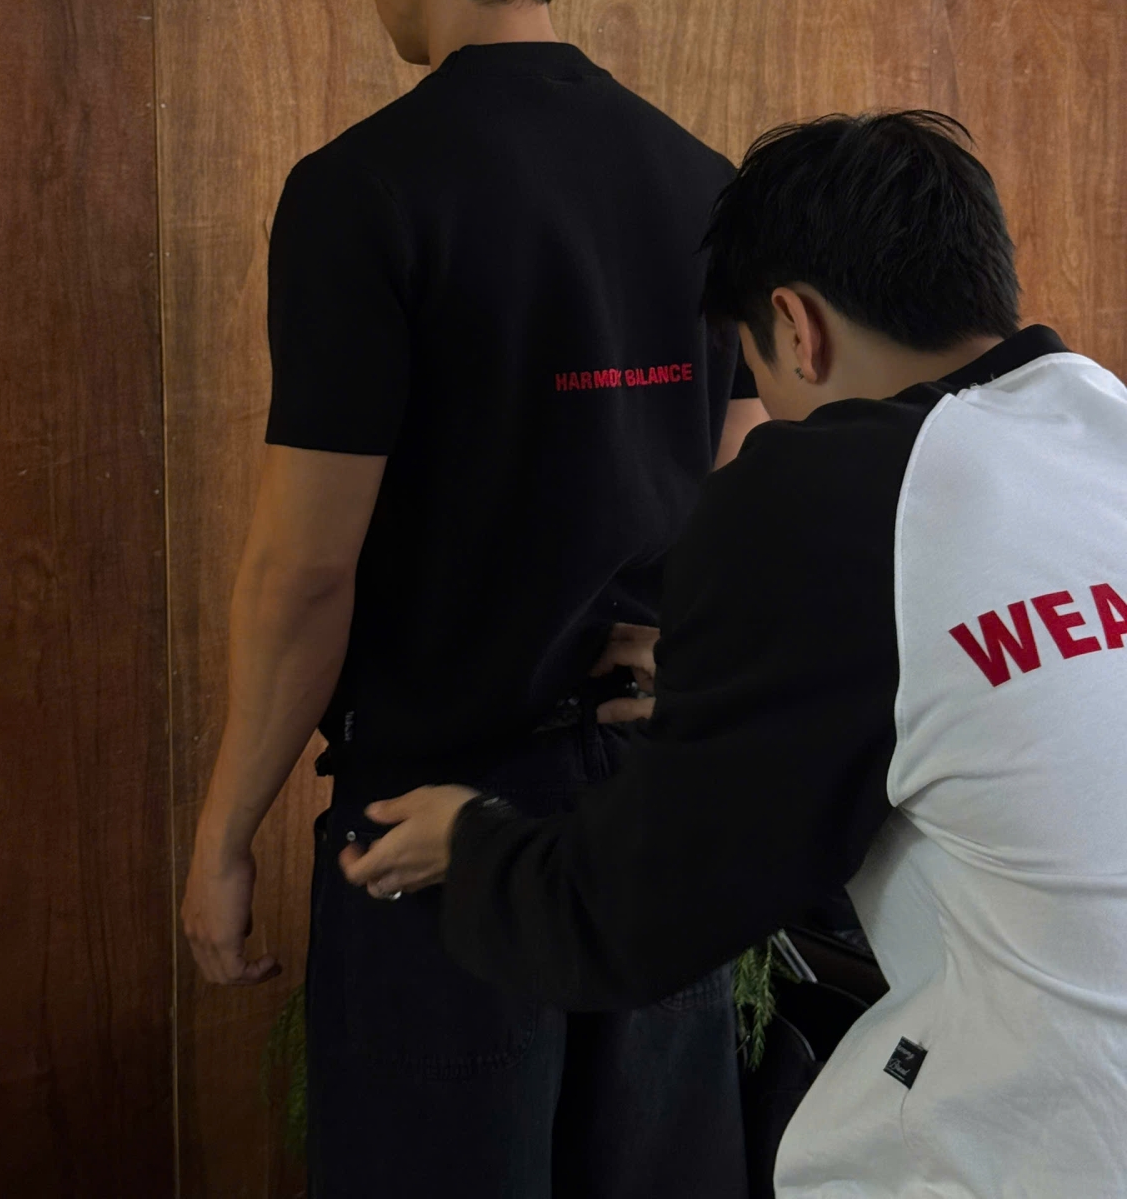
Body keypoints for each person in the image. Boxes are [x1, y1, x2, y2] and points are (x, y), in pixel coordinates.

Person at [344, 110, 1127, 1199]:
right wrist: (748, 684)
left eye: (754, 372)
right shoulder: (1100, 421)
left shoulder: (824, 488)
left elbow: (632, 919)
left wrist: (469, 845)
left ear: (795, 328)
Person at [181, 0, 763, 1199]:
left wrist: (226, 829)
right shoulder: (706, 185)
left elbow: (305, 568)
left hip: (435, 838)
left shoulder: (361, 193)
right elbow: (748, 477)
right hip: (648, 816)